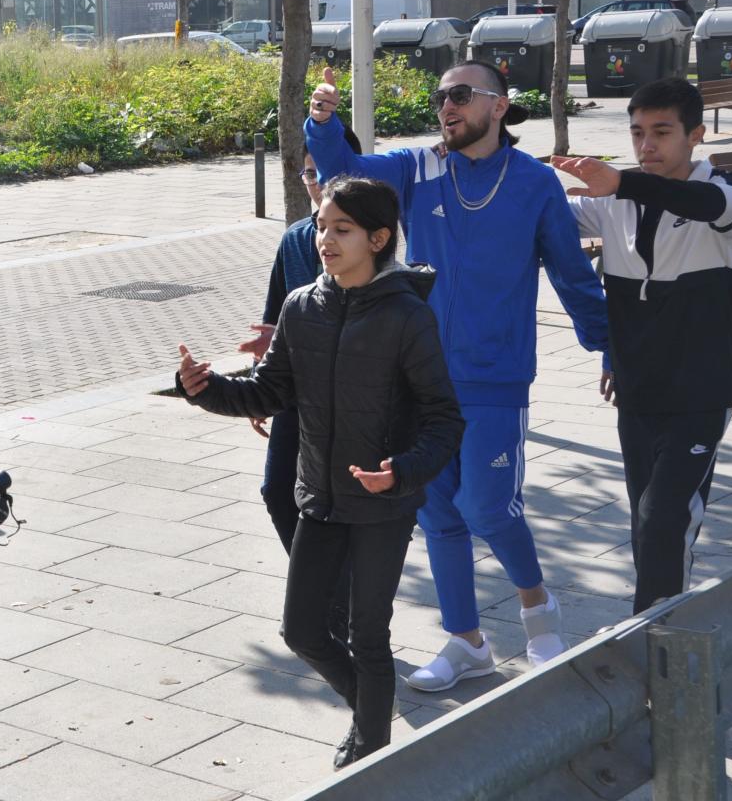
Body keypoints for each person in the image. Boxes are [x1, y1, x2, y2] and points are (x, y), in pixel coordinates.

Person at [306, 62, 610, 692]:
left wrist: (611, 348)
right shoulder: (420, 169)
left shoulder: (534, 184)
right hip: (419, 378)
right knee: (438, 512)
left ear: (498, 106)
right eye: (441, 96)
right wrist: (323, 122)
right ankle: (466, 642)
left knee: (487, 506)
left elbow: (572, 276)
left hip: (496, 376)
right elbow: (344, 179)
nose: (446, 106)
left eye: (461, 96)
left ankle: (539, 617)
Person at [176, 176, 464, 769]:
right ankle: (372, 716)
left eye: (341, 229)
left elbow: (444, 418)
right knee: (303, 631)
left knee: (368, 635)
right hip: (319, 498)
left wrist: (402, 472)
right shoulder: (301, 305)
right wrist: (205, 391)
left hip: (382, 504)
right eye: (321, 227)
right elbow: (269, 392)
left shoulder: (407, 317)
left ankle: (372, 752)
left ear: (378, 238)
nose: (324, 240)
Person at [550, 77, 732, 614]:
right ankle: (656, 629)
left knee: (665, 521)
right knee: (645, 522)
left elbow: (709, 204)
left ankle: (653, 643)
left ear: (696, 135)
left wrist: (622, 184)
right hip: (636, 393)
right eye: (637, 133)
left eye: (662, 132)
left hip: (699, 396)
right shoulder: (615, 201)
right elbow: (546, 212)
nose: (646, 146)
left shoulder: (725, 190)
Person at [247, 156, 327, 552]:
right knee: (277, 492)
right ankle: (314, 593)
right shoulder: (294, 238)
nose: (317, 181)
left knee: (340, 507)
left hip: (351, 394)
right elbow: (272, 314)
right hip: (295, 388)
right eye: (310, 173)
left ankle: (333, 597)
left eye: (326, 169)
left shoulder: (375, 237)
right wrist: (260, 383)